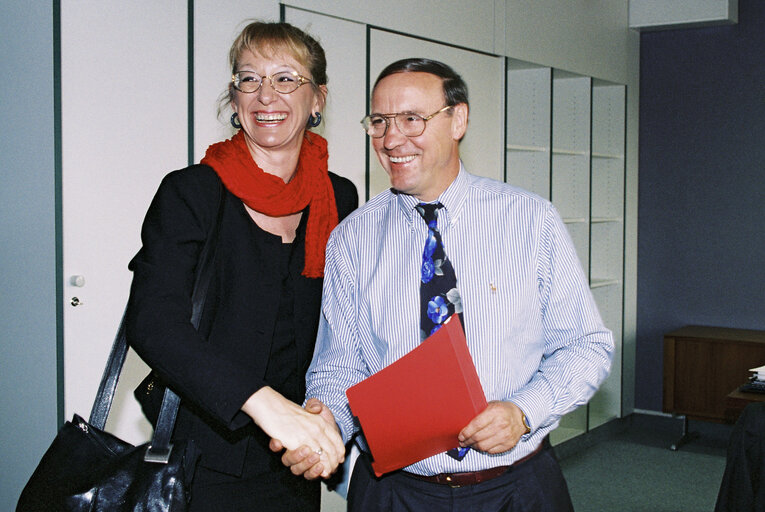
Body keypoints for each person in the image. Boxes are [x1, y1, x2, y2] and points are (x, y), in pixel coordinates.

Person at [277, 58, 614, 511]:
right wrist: (325, 421)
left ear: (458, 119)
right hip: (395, 491)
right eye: (380, 122)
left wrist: (524, 411)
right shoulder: (351, 239)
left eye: (412, 119)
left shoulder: (529, 221)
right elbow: (340, 365)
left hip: (515, 487)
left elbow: (586, 346)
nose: (392, 140)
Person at [125, 21, 356, 511]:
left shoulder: (338, 196)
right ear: (234, 99)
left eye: (285, 78)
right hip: (204, 458)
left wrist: (326, 411)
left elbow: (345, 323)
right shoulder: (192, 192)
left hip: (295, 456)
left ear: (318, 99)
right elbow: (153, 321)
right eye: (248, 79)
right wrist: (264, 403)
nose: (264, 94)